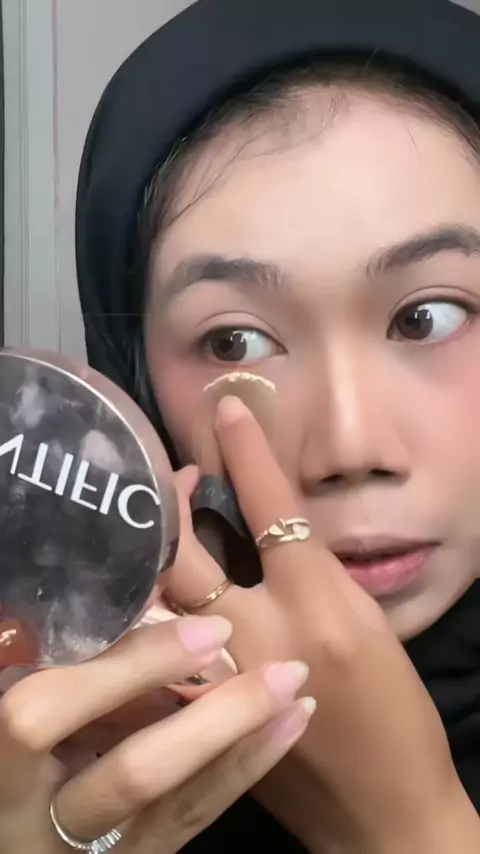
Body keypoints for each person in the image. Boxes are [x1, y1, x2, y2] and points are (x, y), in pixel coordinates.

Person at [3, 0, 480, 850]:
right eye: (235, 341)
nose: (351, 449)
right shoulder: (52, 755)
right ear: (136, 376)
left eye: (427, 319)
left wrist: (411, 830)